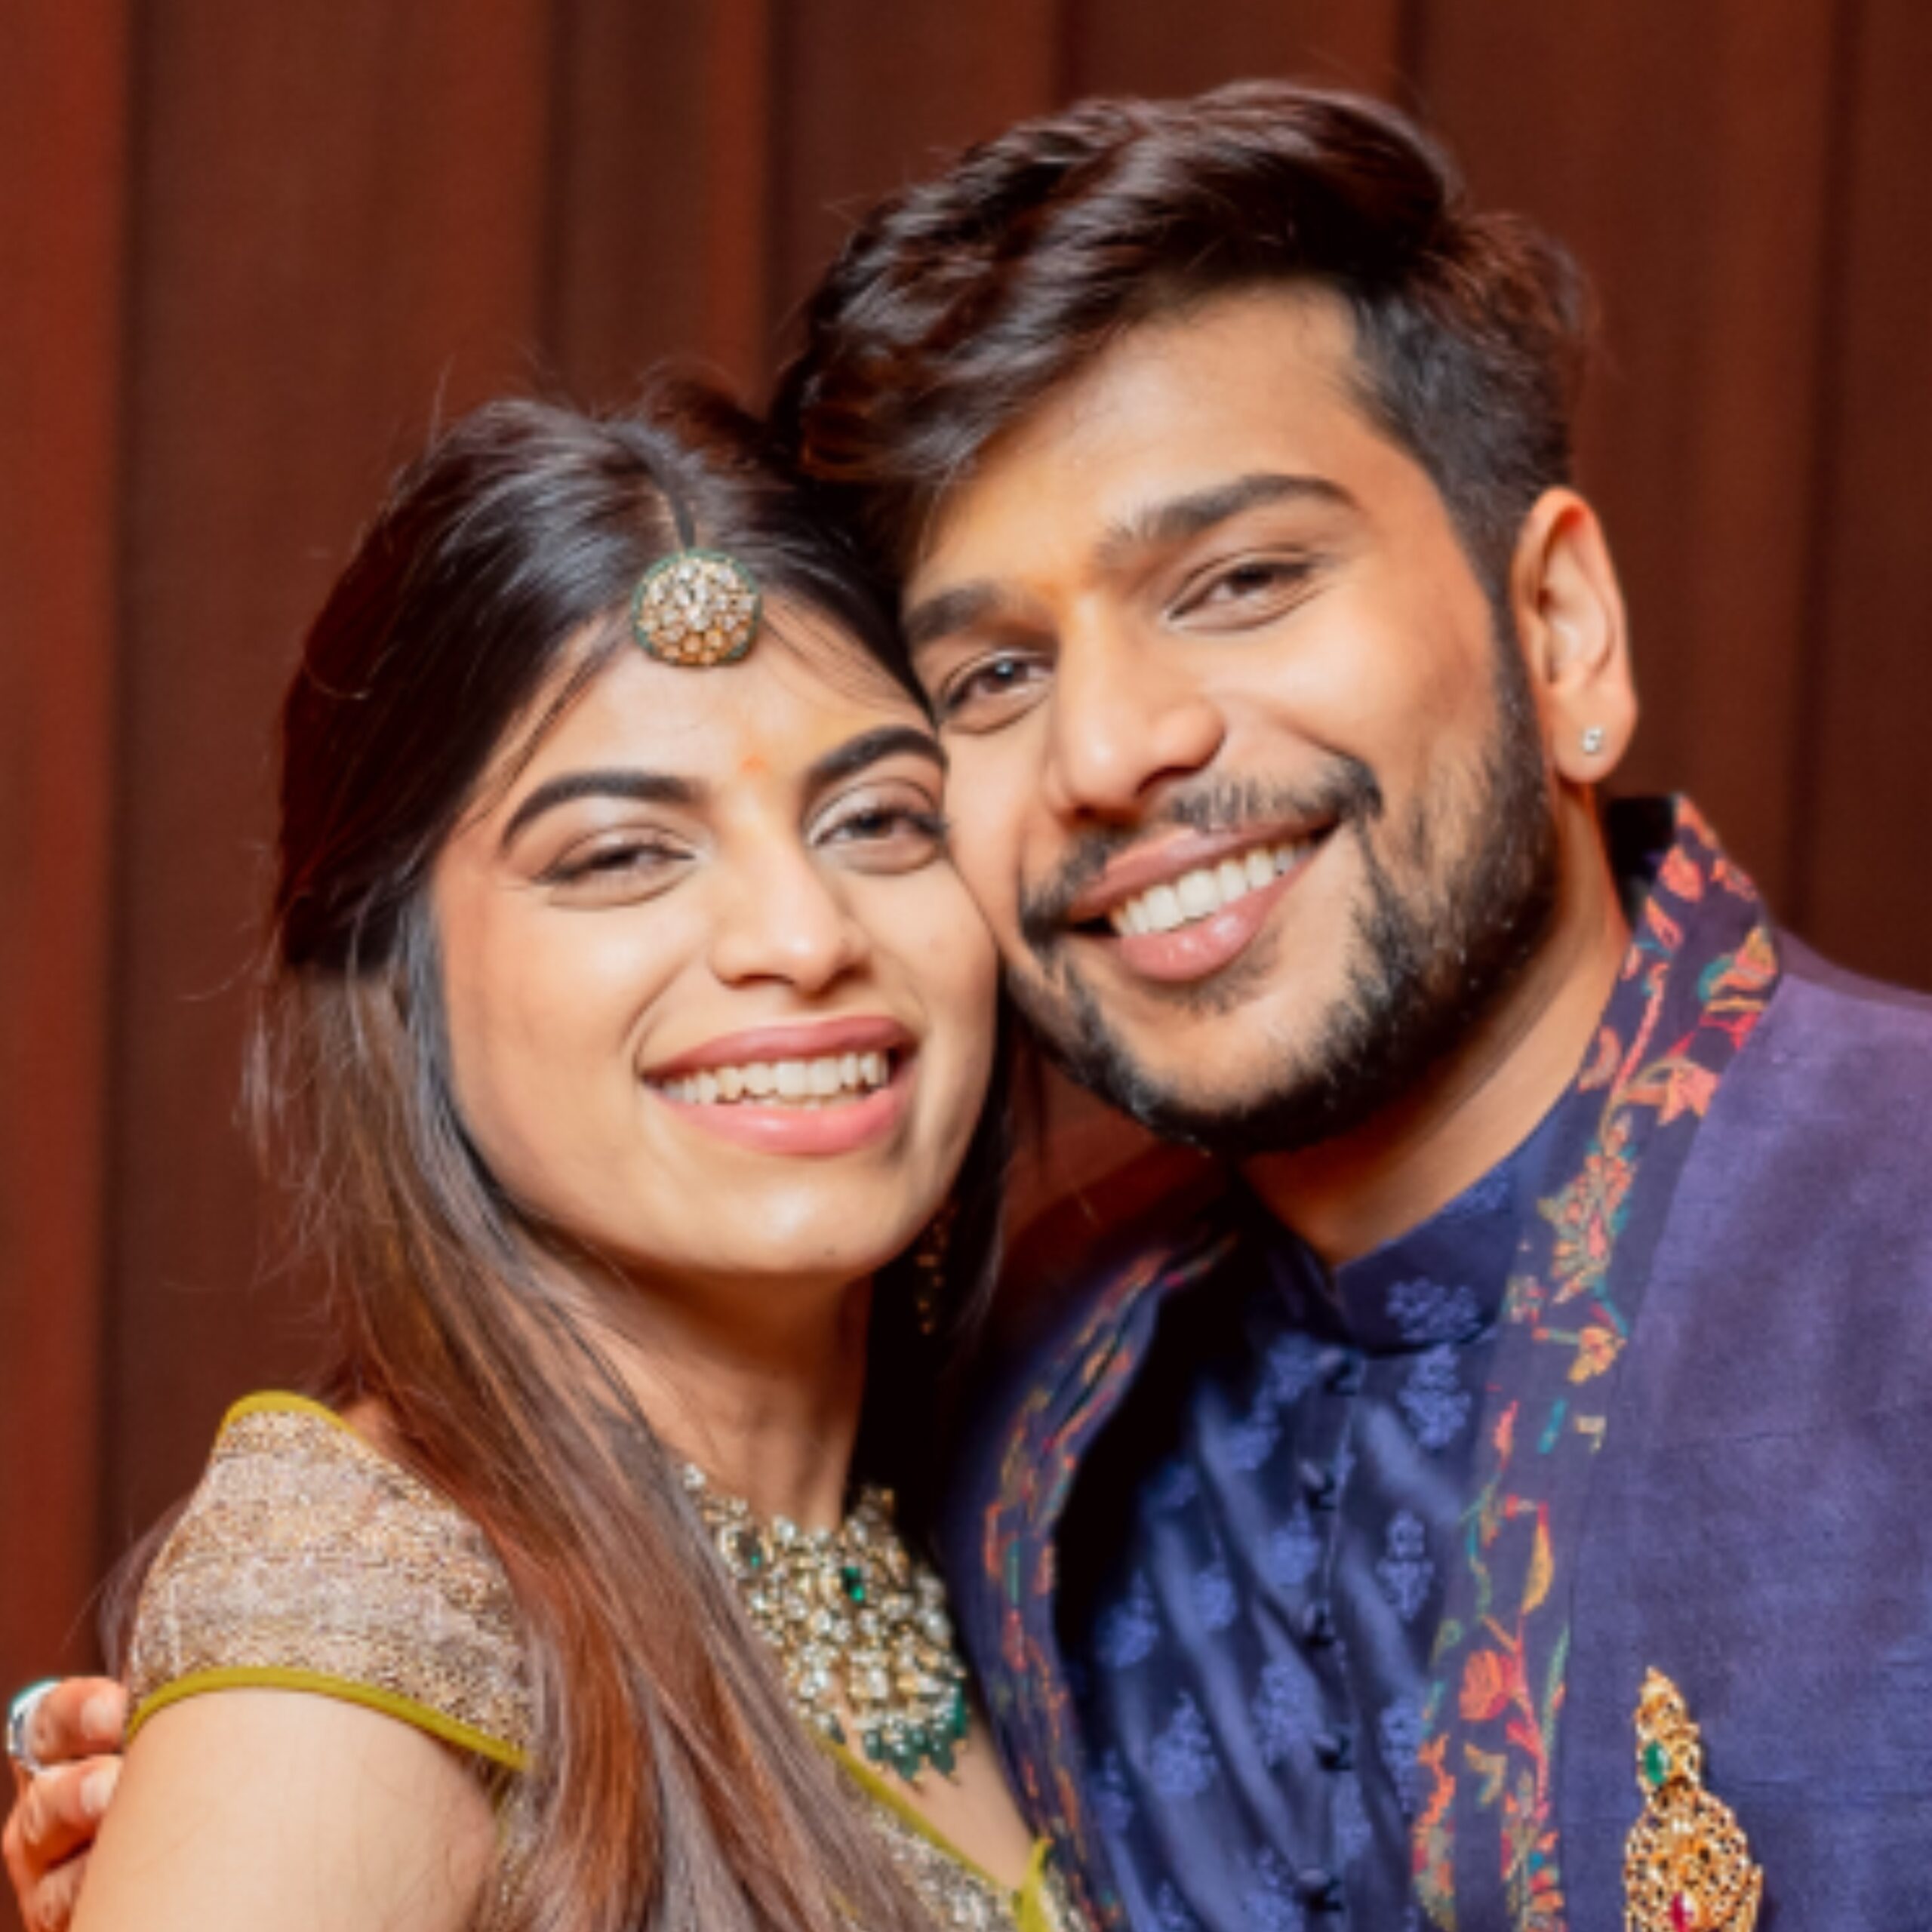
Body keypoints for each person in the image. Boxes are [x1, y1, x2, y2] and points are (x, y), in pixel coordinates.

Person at [14, 79, 1932, 1932]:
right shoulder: (1040, 1391)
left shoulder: (1883, 1256)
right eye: (994, 675)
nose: (1110, 747)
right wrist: (274, 1771)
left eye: (1242, 578)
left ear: (1560, 629)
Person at [4, 389, 1086, 1932]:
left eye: (875, 819)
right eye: (622, 854)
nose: (804, 936)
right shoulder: (367, 1605)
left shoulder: (1028, 1502)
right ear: (395, 976)